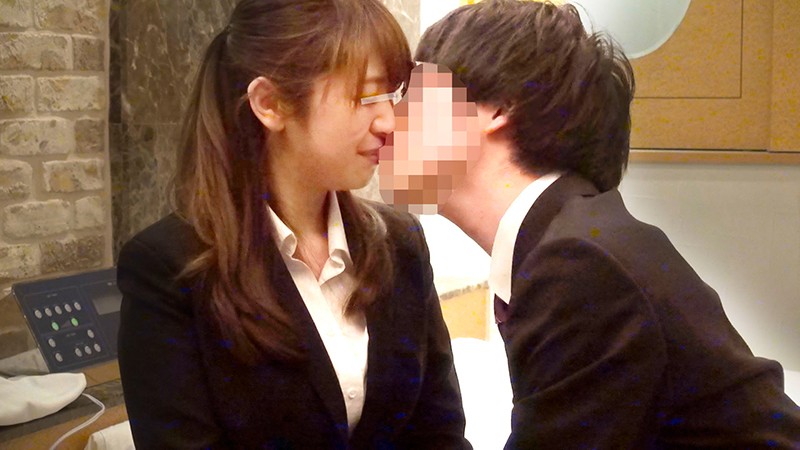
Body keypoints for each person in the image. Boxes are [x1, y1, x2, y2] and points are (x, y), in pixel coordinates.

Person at [379, 0, 800, 448]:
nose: (387, 120)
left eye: (411, 95)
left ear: (499, 107)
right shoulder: (575, 235)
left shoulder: (578, 263)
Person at [116, 0, 471, 448]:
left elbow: (439, 431)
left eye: (393, 95)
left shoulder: (399, 242)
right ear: (271, 103)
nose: (389, 121)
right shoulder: (170, 267)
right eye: (368, 96)